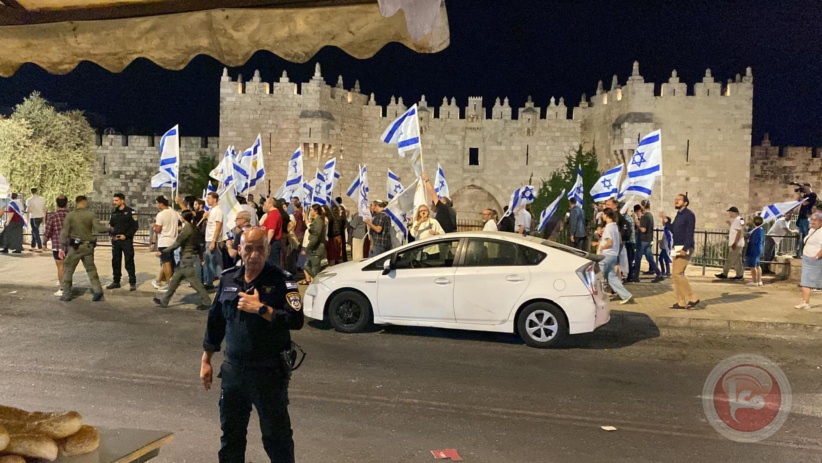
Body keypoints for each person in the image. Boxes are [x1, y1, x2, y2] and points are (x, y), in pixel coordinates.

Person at [201, 227, 303, 463]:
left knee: (276, 438)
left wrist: (261, 309)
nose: (254, 254)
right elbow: (215, 321)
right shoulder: (227, 279)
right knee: (231, 436)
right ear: (239, 250)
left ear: (267, 250)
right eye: (249, 248)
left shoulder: (282, 281)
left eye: (260, 248)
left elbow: (295, 320)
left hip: (268, 373)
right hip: (234, 372)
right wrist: (206, 359)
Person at [152, 210, 212, 310]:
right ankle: (164, 301)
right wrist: (201, 257)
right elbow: (197, 245)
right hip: (186, 259)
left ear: (183, 218)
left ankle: (207, 302)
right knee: (174, 281)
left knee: (195, 283)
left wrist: (163, 251)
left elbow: (177, 243)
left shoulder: (187, 229)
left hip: (186, 260)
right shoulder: (193, 228)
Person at [59, 195, 106, 302]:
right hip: (88, 246)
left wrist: (61, 247)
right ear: (84, 202)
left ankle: (66, 294)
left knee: (68, 269)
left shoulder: (70, 216)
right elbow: (99, 228)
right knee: (91, 269)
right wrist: (110, 228)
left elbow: (64, 232)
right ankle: (98, 291)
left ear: (77, 202)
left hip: (75, 247)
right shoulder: (91, 214)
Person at [665, 194, 700, 310]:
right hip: (677, 247)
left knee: (678, 273)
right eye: (676, 200)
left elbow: (690, 232)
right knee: (675, 275)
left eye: (679, 200)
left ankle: (692, 297)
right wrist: (666, 223)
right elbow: (674, 230)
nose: (676, 201)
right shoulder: (679, 215)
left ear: (685, 202)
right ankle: (681, 301)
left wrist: (685, 248)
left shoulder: (689, 215)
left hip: (685, 247)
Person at [598, 208, 632, 305]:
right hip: (614, 254)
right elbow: (619, 240)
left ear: (606, 215)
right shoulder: (615, 226)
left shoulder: (608, 227)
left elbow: (609, 242)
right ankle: (625, 295)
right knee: (611, 276)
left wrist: (602, 248)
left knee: (599, 276)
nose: (602, 216)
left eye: (603, 214)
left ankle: (599, 296)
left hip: (606, 254)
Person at [107, 193, 139, 291]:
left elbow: (135, 226)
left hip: (126, 241)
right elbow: (111, 225)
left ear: (122, 200)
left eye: (116, 200)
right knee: (116, 261)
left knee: (129, 261)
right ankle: (116, 281)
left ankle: (132, 282)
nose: (114, 202)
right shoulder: (114, 212)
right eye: (114, 200)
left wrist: (126, 235)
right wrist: (112, 235)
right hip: (116, 241)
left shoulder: (131, 212)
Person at [152, 196, 180, 291]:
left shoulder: (161, 214)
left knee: (166, 263)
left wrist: (154, 227)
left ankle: (169, 283)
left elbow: (158, 229)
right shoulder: (175, 213)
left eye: (157, 203)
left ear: (160, 203)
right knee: (167, 262)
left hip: (164, 240)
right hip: (173, 240)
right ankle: (159, 280)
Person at [795, 212, 822, 310]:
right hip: (808, 258)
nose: (813, 222)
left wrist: (816, 257)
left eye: (815, 220)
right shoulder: (812, 230)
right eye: (812, 219)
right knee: (805, 281)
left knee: (811, 281)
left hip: (815, 260)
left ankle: (805, 302)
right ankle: (805, 302)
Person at [44, 195, 69, 297]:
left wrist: (44, 242)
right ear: (67, 204)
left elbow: (48, 231)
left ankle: (63, 288)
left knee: (60, 267)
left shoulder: (53, 216)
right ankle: (68, 286)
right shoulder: (71, 215)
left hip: (57, 245)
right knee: (68, 267)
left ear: (57, 204)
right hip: (70, 245)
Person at [633, 200, 664, 283]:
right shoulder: (650, 215)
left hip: (643, 240)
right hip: (648, 239)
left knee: (638, 257)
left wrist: (637, 222)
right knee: (649, 258)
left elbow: (643, 229)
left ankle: (636, 276)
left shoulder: (644, 217)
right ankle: (659, 273)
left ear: (643, 206)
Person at [716, 206, 746, 280]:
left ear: (733, 213)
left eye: (730, 212)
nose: (729, 214)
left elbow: (739, 232)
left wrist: (735, 243)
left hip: (736, 244)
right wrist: (730, 224)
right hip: (738, 243)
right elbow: (742, 226)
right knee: (737, 260)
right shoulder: (739, 219)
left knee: (730, 259)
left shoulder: (737, 220)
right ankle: (739, 275)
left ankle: (725, 273)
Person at [302, 204, 327, 283]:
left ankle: (319, 282)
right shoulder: (315, 221)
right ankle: (317, 282)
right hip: (314, 248)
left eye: (311, 210)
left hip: (317, 248)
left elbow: (315, 236)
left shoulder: (318, 221)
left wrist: (307, 248)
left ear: (316, 211)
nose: (310, 211)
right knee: (308, 266)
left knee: (314, 268)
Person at [204, 192, 223, 289]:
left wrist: (213, 241)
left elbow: (218, 226)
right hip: (208, 238)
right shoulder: (212, 210)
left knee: (214, 262)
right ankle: (209, 282)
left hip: (212, 239)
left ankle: (222, 281)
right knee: (209, 262)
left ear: (215, 199)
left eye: (209, 198)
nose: (207, 200)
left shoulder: (218, 210)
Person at [795, 184, 817, 257]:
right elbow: (798, 201)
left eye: (805, 187)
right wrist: (799, 193)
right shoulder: (804, 196)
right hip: (801, 218)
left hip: (806, 218)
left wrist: (801, 196)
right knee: (800, 236)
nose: (804, 189)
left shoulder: (812, 195)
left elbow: (804, 203)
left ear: (808, 187)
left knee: (806, 235)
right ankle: (800, 253)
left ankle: (807, 253)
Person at [262, 198, 283, 268]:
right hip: (272, 242)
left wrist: (266, 243)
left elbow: (271, 230)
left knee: (272, 264)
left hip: (272, 243)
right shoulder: (272, 214)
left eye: (265, 203)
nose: (264, 204)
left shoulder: (274, 214)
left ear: (270, 204)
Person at [746, 216, 765, 287]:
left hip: (754, 248)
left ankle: (755, 281)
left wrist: (748, 236)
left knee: (753, 265)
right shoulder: (761, 229)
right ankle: (759, 280)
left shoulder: (756, 230)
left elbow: (753, 240)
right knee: (757, 265)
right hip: (759, 248)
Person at [25, 187, 46, 252]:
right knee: (34, 231)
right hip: (40, 216)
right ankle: (33, 245)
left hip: (33, 216)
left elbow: (28, 210)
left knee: (35, 231)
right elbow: (44, 209)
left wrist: (25, 212)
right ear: (37, 191)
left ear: (31, 192)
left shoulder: (29, 200)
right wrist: (44, 218)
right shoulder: (42, 199)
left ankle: (39, 246)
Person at [657, 213, 673, 278]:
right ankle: (666, 272)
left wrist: (669, 248)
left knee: (662, 259)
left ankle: (665, 272)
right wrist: (661, 241)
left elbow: (669, 239)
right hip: (665, 247)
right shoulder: (666, 229)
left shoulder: (667, 230)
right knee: (664, 259)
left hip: (666, 248)